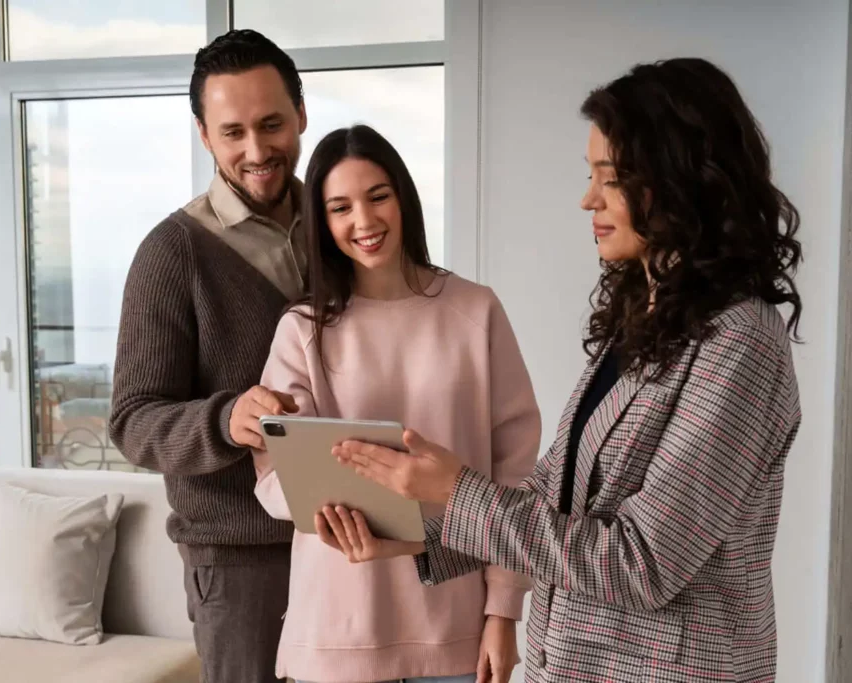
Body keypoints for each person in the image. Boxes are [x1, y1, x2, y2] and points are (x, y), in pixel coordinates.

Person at [322, 58, 804, 683]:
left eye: (613, 177)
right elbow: (555, 494)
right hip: (570, 663)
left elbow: (643, 561)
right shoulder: (644, 317)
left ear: (681, 179)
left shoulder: (741, 340)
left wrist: (455, 491)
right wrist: (422, 533)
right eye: (590, 175)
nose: (588, 199)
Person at [250, 124, 541, 683]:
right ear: (323, 222)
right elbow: (272, 473)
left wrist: (503, 612)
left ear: (404, 197)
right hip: (337, 630)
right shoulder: (302, 330)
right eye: (340, 207)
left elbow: (517, 475)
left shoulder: (476, 312)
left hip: (454, 631)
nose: (363, 221)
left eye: (378, 196)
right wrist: (324, 511)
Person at [108, 29, 311, 683]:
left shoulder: (343, 229)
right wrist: (226, 420)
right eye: (233, 132)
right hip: (238, 558)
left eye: (272, 124)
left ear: (302, 115)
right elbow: (133, 421)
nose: (257, 150)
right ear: (204, 135)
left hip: (352, 541)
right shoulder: (173, 253)